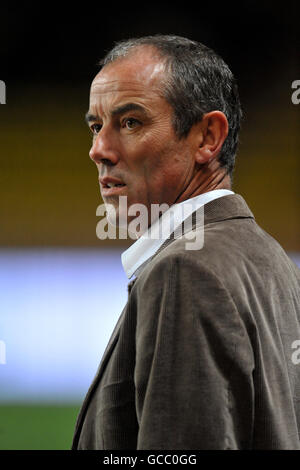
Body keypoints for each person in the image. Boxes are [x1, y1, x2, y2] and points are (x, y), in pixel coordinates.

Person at [72, 35, 300, 450]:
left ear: (207, 137)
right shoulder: (270, 259)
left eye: (130, 122)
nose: (98, 150)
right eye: (95, 126)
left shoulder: (185, 270)